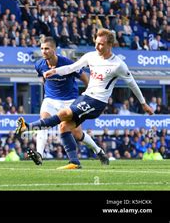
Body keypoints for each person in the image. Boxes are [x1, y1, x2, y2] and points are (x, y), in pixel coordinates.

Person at [15, 29, 153, 169]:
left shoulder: (118, 65)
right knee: (65, 127)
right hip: (86, 97)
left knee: (64, 114)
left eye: (101, 44)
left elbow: (132, 84)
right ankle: (75, 162)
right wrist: (55, 71)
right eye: (96, 43)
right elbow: (71, 68)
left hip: (97, 102)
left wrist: (143, 103)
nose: (97, 47)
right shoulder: (91, 56)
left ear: (110, 45)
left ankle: (29, 127)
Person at [28, 37, 107, 166]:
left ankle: (98, 151)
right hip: (50, 99)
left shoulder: (67, 63)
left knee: (77, 133)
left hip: (69, 101)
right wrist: (48, 93)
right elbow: (44, 79)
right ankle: (39, 155)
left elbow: (83, 76)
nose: (44, 51)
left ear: (54, 49)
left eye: (47, 48)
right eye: (42, 48)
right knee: (43, 123)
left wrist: (90, 94)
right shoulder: (39, 65)